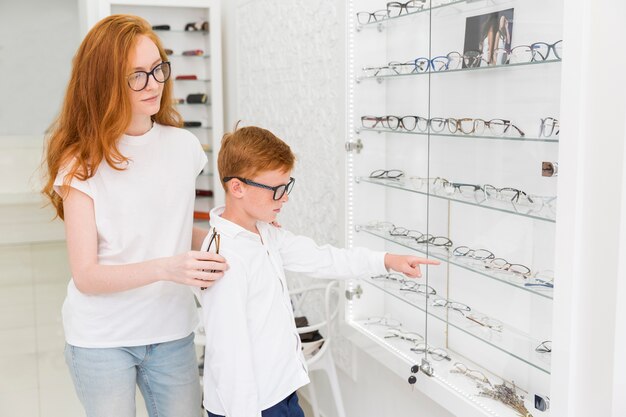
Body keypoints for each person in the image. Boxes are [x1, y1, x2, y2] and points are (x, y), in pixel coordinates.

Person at [41, 14, 227, 417]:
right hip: (102, 338)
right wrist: (167, 267)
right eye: (137, 75)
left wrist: (240, 233)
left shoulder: (184, 147)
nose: (155, 83)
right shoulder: (82, 163)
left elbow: (179, 229)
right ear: (105, 82)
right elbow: (87, 276)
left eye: (158, 68)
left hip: (173, 331)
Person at [197, 125, 440, 417]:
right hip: (251, 406)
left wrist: (386, 260)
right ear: (237, 187)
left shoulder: (266, 234)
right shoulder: (223, 258)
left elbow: (324, 259)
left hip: (283, 389)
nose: (284, 198)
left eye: (287, 187)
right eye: (276, 190)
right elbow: (230, 356)